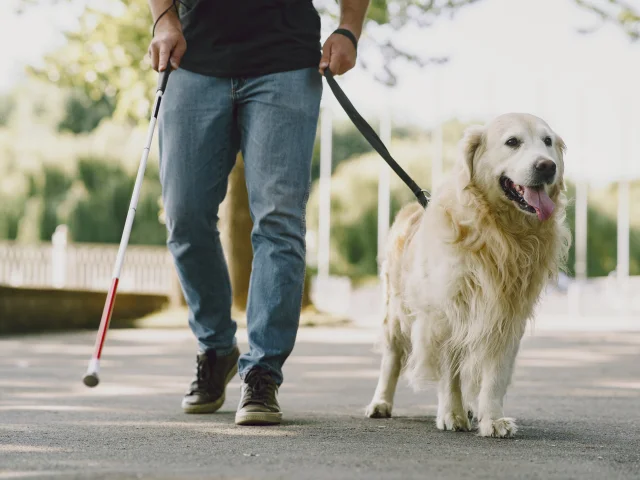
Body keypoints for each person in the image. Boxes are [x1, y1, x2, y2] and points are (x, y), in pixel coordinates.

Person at [147, 0, 370, 426]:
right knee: (185, 216)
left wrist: (349, 29)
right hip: (194, 60)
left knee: (278, 221)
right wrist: (163, 18)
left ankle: (263, 370)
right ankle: (216, 348)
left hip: (285, 63)